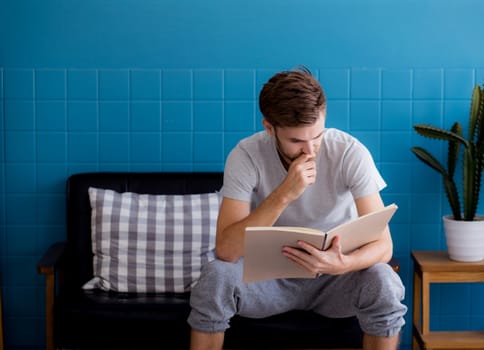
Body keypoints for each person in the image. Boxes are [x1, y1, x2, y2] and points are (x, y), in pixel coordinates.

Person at [187, 66, 407, 350]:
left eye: (316, 136)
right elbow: (227, 251)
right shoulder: (245, 155)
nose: (310, 151)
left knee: (384, 280)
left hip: (335, 280)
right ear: (270, 128)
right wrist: (283, 194)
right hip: (268, 282)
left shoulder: (350, 152)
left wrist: (343, 264)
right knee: (216, 276)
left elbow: (384, 246)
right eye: (296, 141)